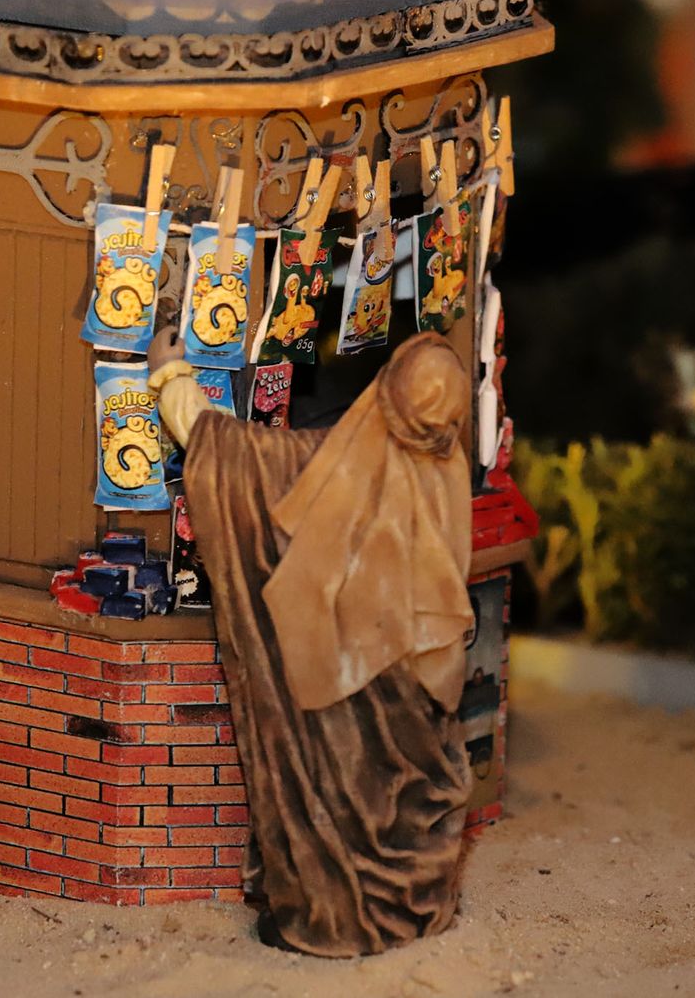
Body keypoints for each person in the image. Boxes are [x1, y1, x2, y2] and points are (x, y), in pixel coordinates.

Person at [147, 326, 476, 958]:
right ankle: (410, 905)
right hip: (420, 680)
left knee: (342, 783)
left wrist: (171, 376)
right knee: (402, 796)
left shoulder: (345, 463)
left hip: (347, 678)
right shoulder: (447, 462)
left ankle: (339, 914)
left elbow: (241, 459)